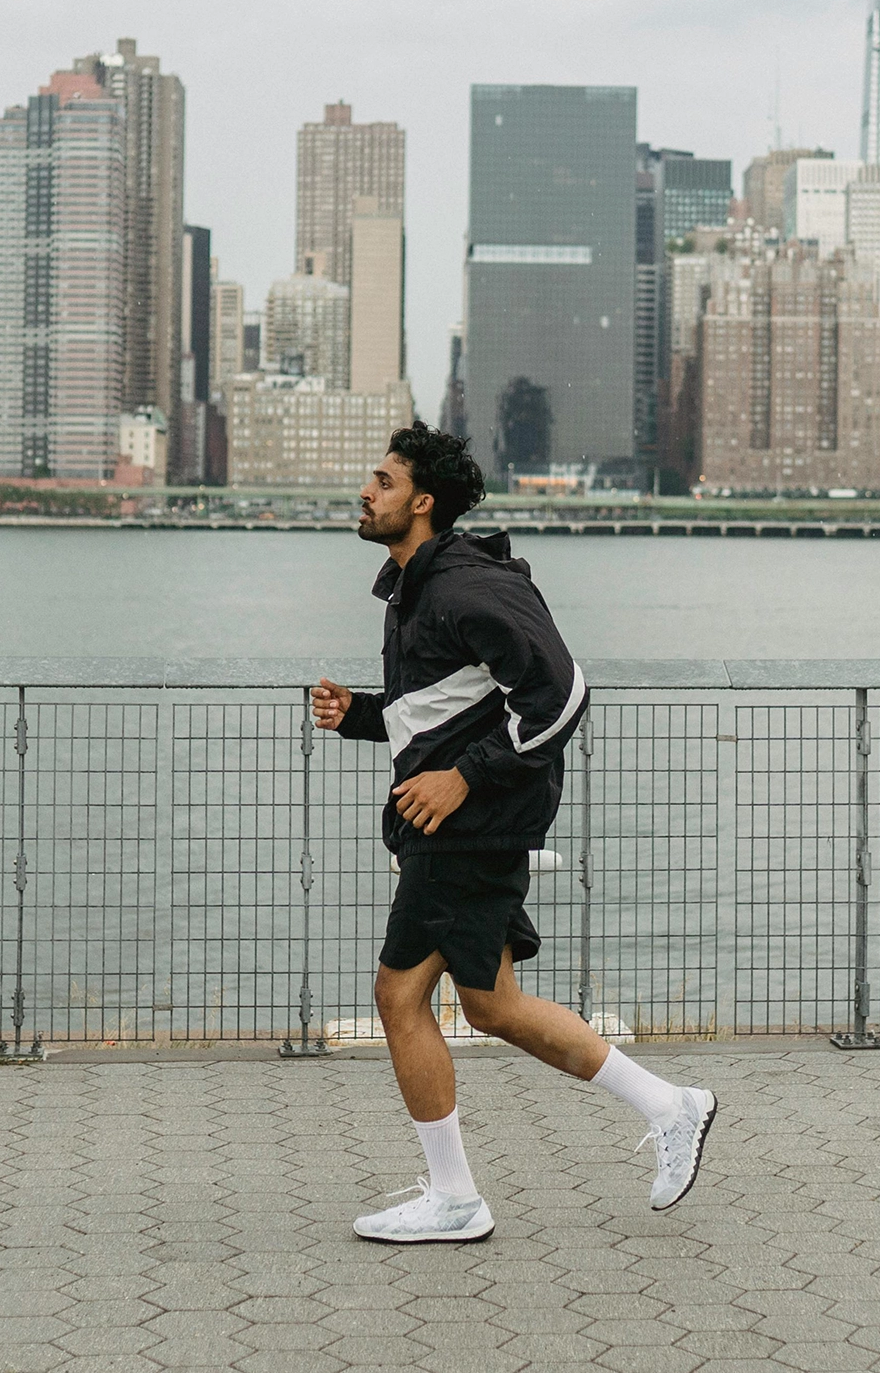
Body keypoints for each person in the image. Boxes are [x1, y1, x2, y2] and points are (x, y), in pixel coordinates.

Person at [313, 422, 716, 1245]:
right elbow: (442, 712)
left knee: (398, 997)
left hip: (465, 830)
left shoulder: (466, 587)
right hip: (461, 828)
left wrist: (465, 778)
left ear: (422, 503)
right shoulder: (417, 589)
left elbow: (562, 696)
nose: (366, 490)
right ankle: (670, 1105)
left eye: (384, 481)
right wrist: (358, 714)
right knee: (493, 1004)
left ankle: (456, 1199)